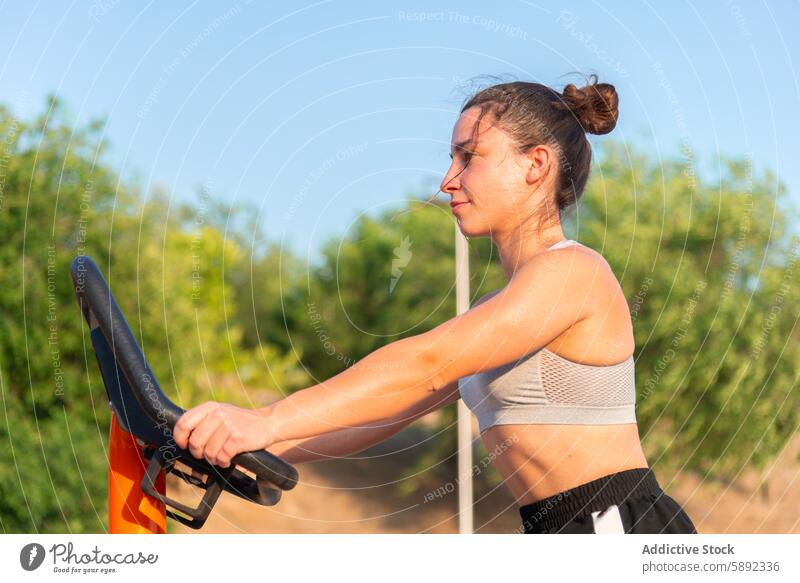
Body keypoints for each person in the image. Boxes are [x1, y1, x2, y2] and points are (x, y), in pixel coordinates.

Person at [173, 74, 697, 534]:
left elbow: (423, 365)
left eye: (468, 156)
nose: (448, 180)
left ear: (536, 164)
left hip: (618, 525)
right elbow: (389, 409)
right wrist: (254, 452)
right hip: (560, 532)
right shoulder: (504, 308)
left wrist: (264, 419)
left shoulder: (573, 274)